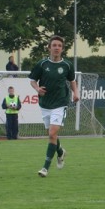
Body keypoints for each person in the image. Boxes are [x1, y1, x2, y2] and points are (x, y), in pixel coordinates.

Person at [29, 35, 79, 177]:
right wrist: (37, 89)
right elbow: (32, 80)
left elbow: (72, 81)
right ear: (49, 47)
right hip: (45, 104)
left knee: (52, 133)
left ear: (62, 49)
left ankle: (45, 168)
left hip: (60, 103)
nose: (56, 48)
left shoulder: (67, 65)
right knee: (52, 135)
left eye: (59, 46)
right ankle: (61, 152)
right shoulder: (42, 64)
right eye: (54, 45)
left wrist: (76, 93)